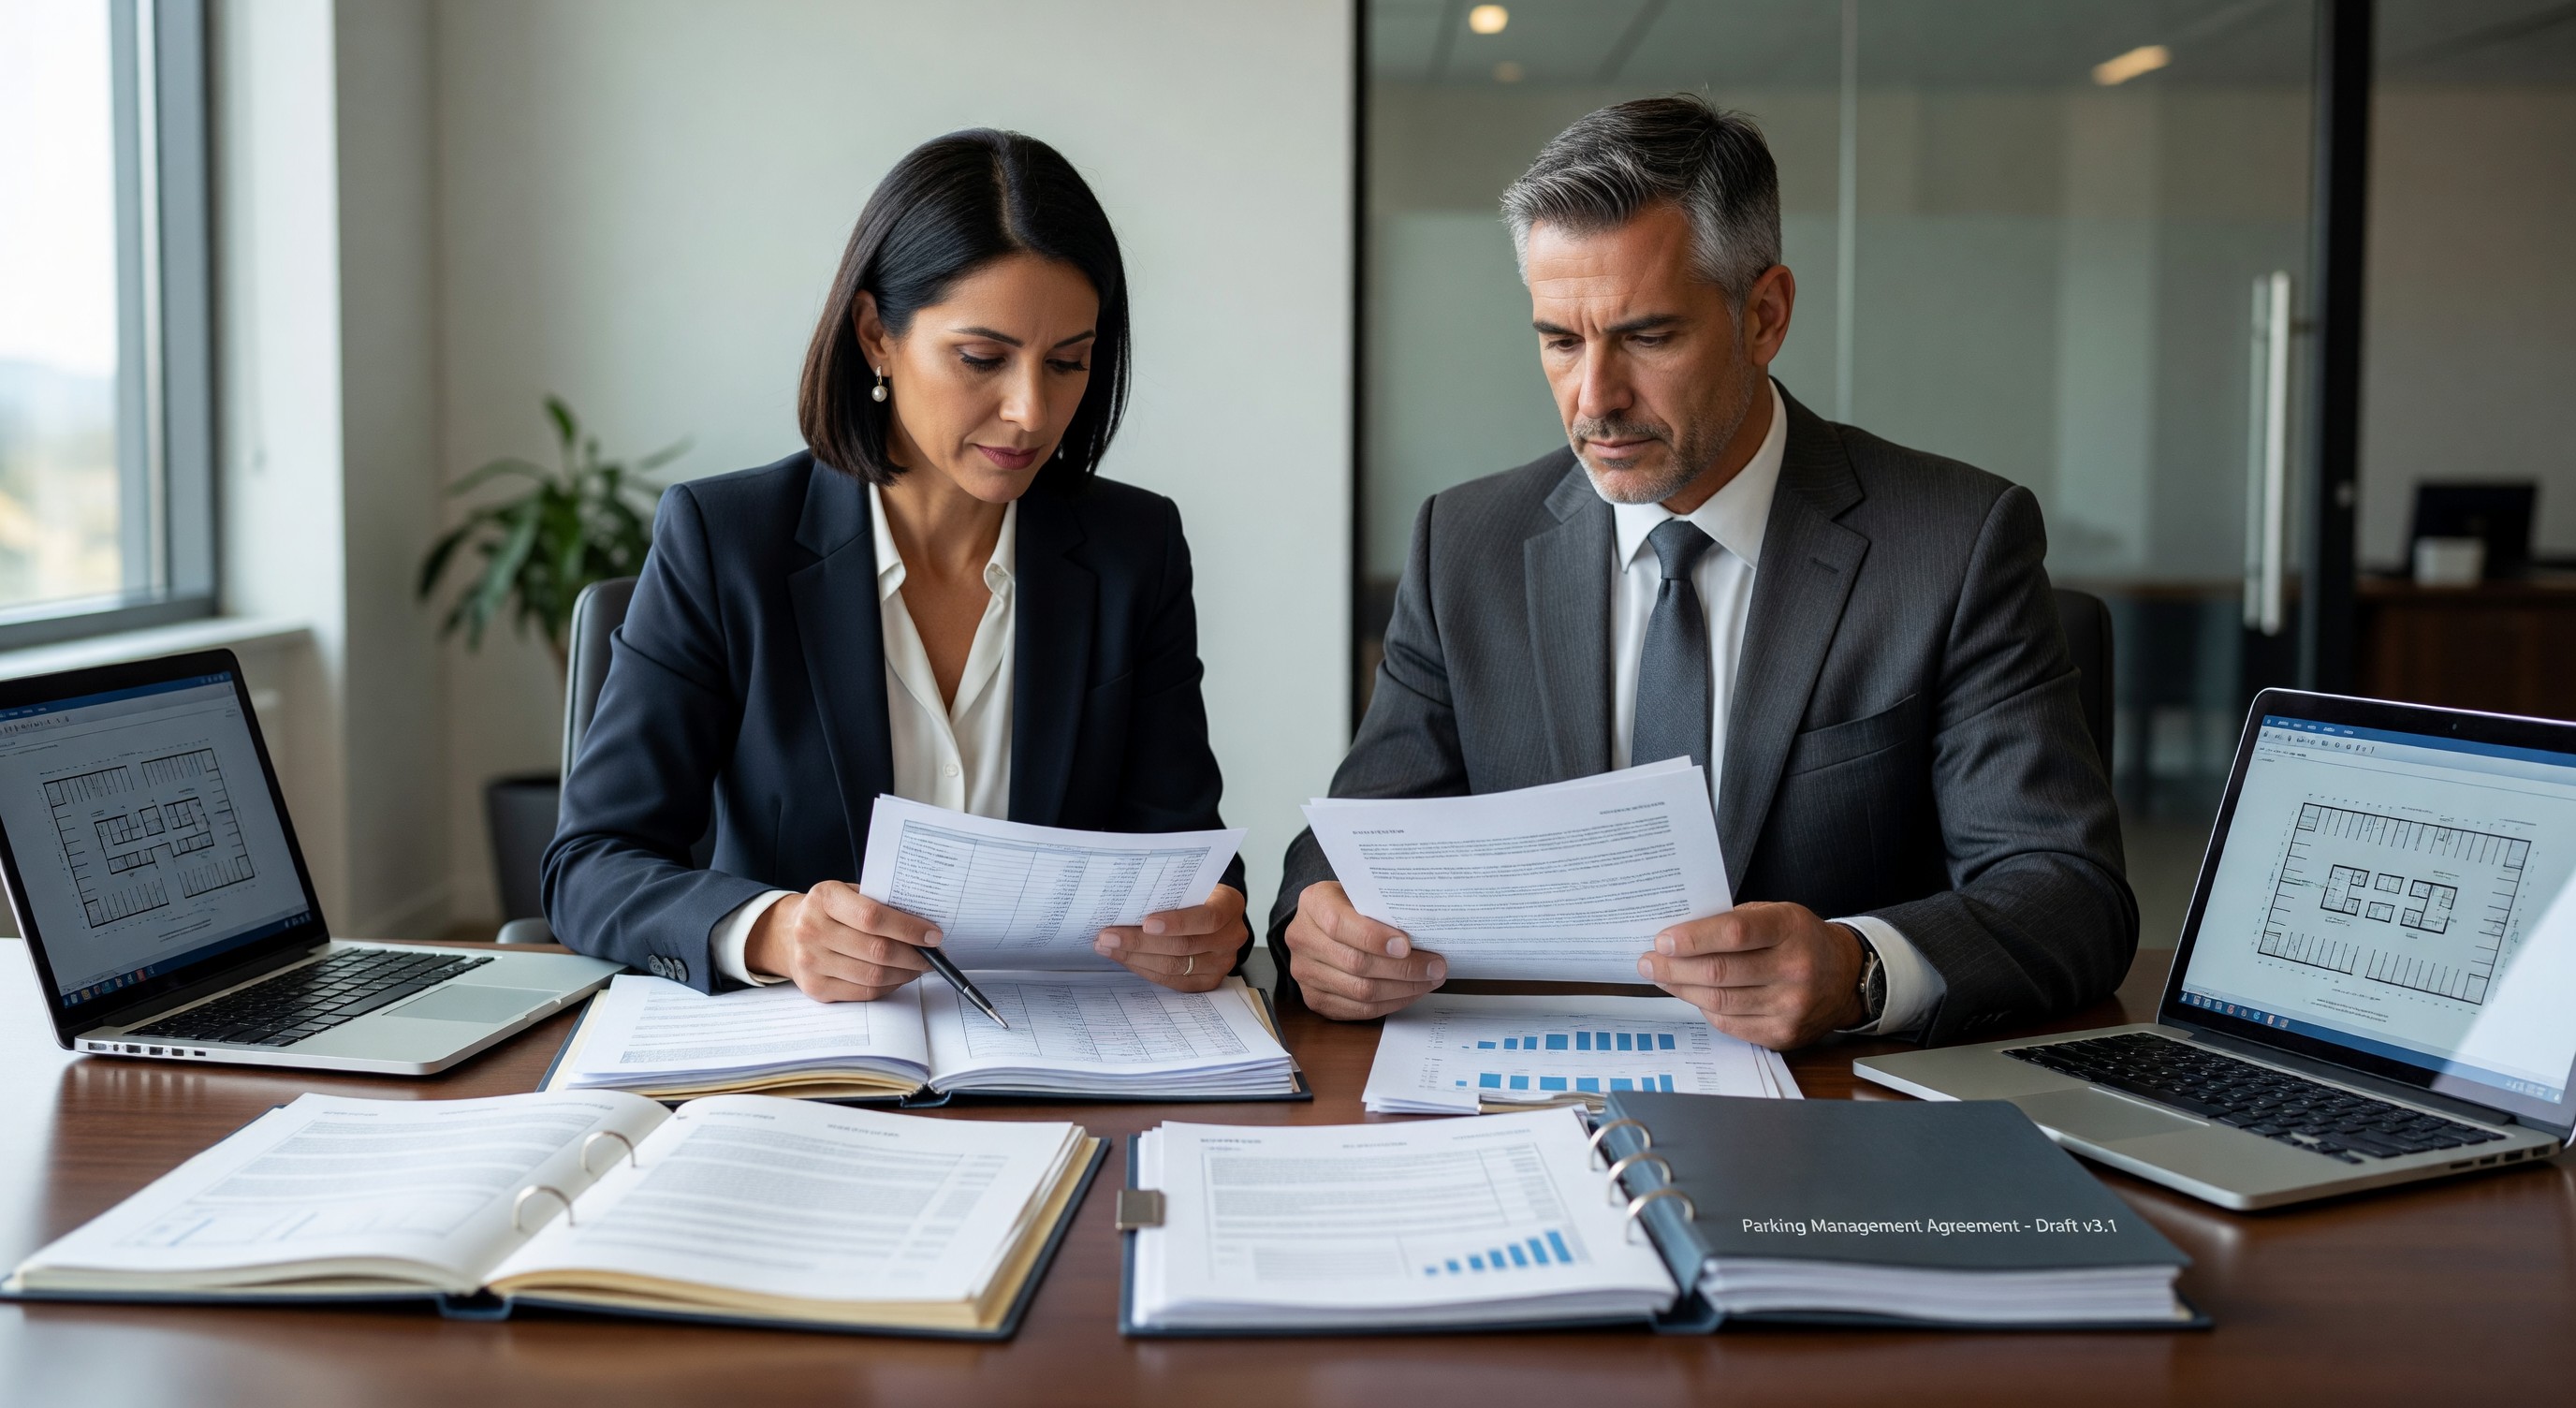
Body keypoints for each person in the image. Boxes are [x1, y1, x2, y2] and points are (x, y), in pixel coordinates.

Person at [1273, 96, 2134, 1049]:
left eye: (1647, 337)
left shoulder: (1953, 544)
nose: (1594, 400)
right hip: (1528, 1092)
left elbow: (2067, 894)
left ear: (1763, 316)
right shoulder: (1464, 543)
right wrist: (1319, 919)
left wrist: (1861, 968)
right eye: (1560, 340)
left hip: (1826, 1122)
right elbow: (1353, 837)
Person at [546, 129, 1249, 1000]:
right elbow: (591, 865)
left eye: (1068, 362)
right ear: (877, 334)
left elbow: (1185, 857)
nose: (1031, 411)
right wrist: (772, 932)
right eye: (982, 359)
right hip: (812, 1073)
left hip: (1055, 1062)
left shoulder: (1133, 550)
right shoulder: (726, 540)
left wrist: (1211, 923)